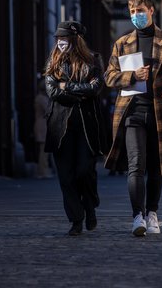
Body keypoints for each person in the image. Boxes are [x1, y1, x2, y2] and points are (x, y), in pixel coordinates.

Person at [104, 0, 162, 237]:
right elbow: (109, 77)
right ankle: (137, 216)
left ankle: (152, 213)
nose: (137, 15)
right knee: (136, 166)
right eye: (132, 12)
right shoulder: (122, 44)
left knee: (157, 167)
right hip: (132, 112)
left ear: (151, 10)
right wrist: (133, 76)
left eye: (141, 10)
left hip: (161, 112)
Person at [44, 21, 107, 236]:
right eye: (59, 40)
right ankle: (76, 219)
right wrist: (80, 92)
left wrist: (67, 86)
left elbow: (96, 88)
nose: (61, 43)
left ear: (75, 40)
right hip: (60, 128)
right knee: (66, 176)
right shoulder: (53, 62)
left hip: (87, 127)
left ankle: (90, 207)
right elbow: (52, 92)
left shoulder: (93, 60)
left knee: (84, 171)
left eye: (65, 39)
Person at [34, 78, 53, 178]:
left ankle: (43, 169)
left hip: (42, 124)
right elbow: (48, 110)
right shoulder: (42, 98)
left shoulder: (40, 98)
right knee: (44, 150)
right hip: (43, 125)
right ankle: (43, 171)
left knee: (44, 149)